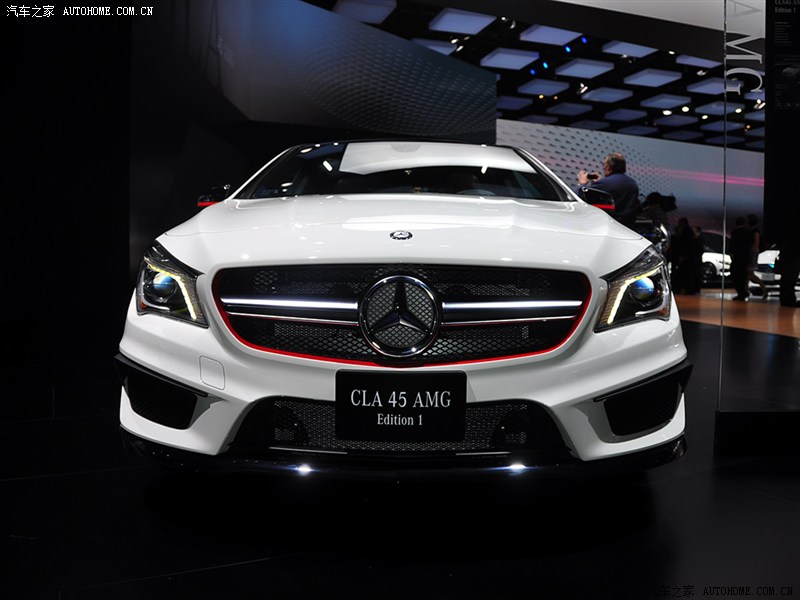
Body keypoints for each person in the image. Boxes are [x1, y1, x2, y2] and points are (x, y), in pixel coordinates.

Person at [577, 152, 640, 229]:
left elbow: (579, 197)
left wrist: (582, 184)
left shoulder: (604, 184)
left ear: (608, 167)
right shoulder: (633, 183)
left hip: (610, 227)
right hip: (628, 229)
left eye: (604, 164)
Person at [666, 217, 696, 294]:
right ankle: (686, 289)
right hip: (686, 257)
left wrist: (682, 255)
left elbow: (685, 245)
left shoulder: (686, 232)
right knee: (686, 273)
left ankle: (685, 289)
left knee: (685, 273)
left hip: (684, 257)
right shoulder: (688, 232)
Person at [729, 216, 752, 301]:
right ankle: (743, 292)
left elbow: (732, 244)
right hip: (745, 257)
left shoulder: (734, 232)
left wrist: (731, 254)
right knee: (743, 275)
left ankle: (741, 293)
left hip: (737, 257)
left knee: (736, 275)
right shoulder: (748, 232)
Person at [746, 214, 768, 298]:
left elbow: (756, 243)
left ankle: (764, 289)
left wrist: (752, 252)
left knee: (750, 274)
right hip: (752, 253)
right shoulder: (753, 230)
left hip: (752, 254)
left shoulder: (755, 231)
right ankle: (746, 290)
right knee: (748, 274)